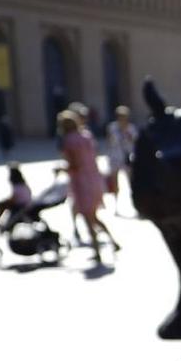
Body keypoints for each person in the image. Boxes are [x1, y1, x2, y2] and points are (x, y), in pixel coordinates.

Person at [58, 108, 119, 257]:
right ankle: (112, 242)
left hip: (82, 183)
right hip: (94, 179)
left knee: (88, 217)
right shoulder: (86, 136)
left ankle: (97, 250)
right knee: (93, 216)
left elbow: (75, 165)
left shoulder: (69, 141)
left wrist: (62, 169)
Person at [103, 105, 138, 214]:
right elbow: (109, 142)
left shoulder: (131, 128)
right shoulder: (112, 127)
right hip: (115, 157)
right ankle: (116, 206)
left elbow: (135, 141)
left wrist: (127, 135)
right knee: (115, 183)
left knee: (131, 182)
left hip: (128, 157)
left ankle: (135, 204)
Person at [0, 165, 33, 229]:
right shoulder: (23, 184)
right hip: (24, 203)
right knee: (2, 203)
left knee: (0, 204)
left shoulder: (18, 186)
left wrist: (7, 200)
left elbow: (14, 198)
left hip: (21, 205)